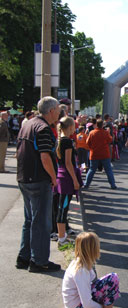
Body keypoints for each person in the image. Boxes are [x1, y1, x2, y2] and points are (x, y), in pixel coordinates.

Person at [16, 96, 61, 272]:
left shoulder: (28, 124)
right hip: (38, 179)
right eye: (58, 109)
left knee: (30, 220)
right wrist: (53, 177)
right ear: (51, 111)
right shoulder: (43, 128)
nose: (59, 112)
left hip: (24, 178)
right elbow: (45, 156)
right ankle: (39, 261)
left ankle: (24, 257)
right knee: (41, 222)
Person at [62, 232, 120, 308]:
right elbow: (87, 303)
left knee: (110, 279)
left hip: (78, 302)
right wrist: (101, 306)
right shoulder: (81, 270)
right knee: (113, 279)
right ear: (92, 250)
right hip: (78, 305)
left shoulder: (80, 262)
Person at [55, 116, 82, 246]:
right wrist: (75, 180)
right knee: (63, 207)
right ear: (70, 127)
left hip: (59, 175)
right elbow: (69, 163)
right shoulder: (68, 142)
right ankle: (61, 238)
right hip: (66, 177)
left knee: (60, 207)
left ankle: (62, 235)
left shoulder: (58, 140)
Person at [84, 119, 117, 189]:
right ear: (102, 125)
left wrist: (91, 148)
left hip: (94, 154)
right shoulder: (105, 133)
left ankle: (86, 184)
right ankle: (112, 185)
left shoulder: (92, 132)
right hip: (104, 154)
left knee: (92, 169)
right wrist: (109, 133)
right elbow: (110, 140)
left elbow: (87, 142)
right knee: (108, 170)